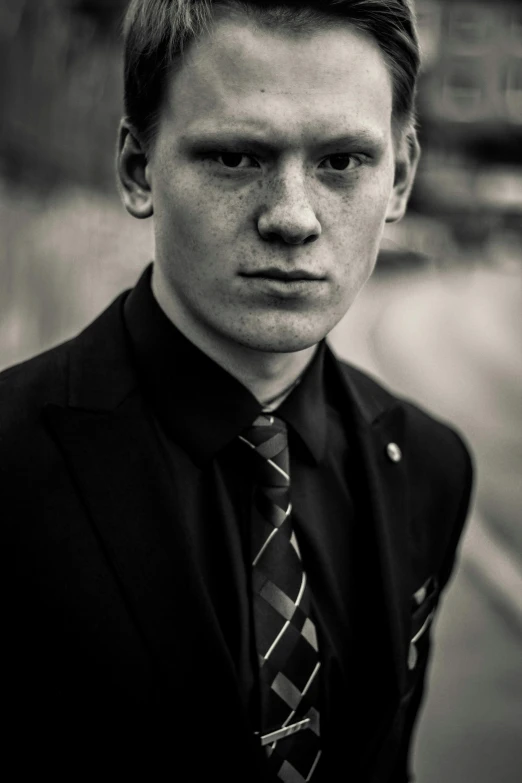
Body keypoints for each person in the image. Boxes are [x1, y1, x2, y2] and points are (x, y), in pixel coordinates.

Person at [2, 1, 473, 780]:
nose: (292, 217)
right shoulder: (10, 464)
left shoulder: (430, 466)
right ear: (137, 167)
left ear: (402, 178)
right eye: (235, 157)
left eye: (343, 161)